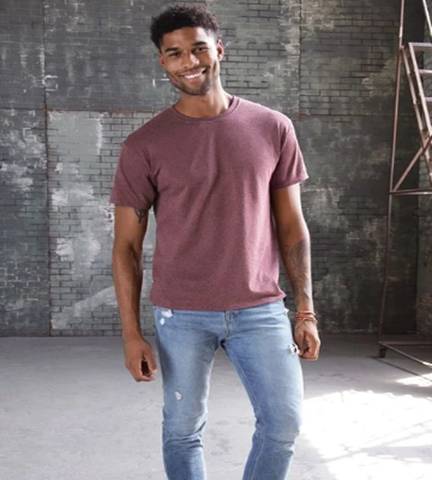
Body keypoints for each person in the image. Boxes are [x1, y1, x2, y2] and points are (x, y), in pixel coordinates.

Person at [110, 4, 321, 479]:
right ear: (162, 61)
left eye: (198, 49)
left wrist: (305, 311)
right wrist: (130, 333)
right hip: (180, 314)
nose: (189, 62)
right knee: (182, 429)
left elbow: (292, 225)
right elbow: (126, 247)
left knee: (284, 424)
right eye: (175, 53)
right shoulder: (144, 145)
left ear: (219, 50)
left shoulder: (273, 127)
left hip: (261, 308)